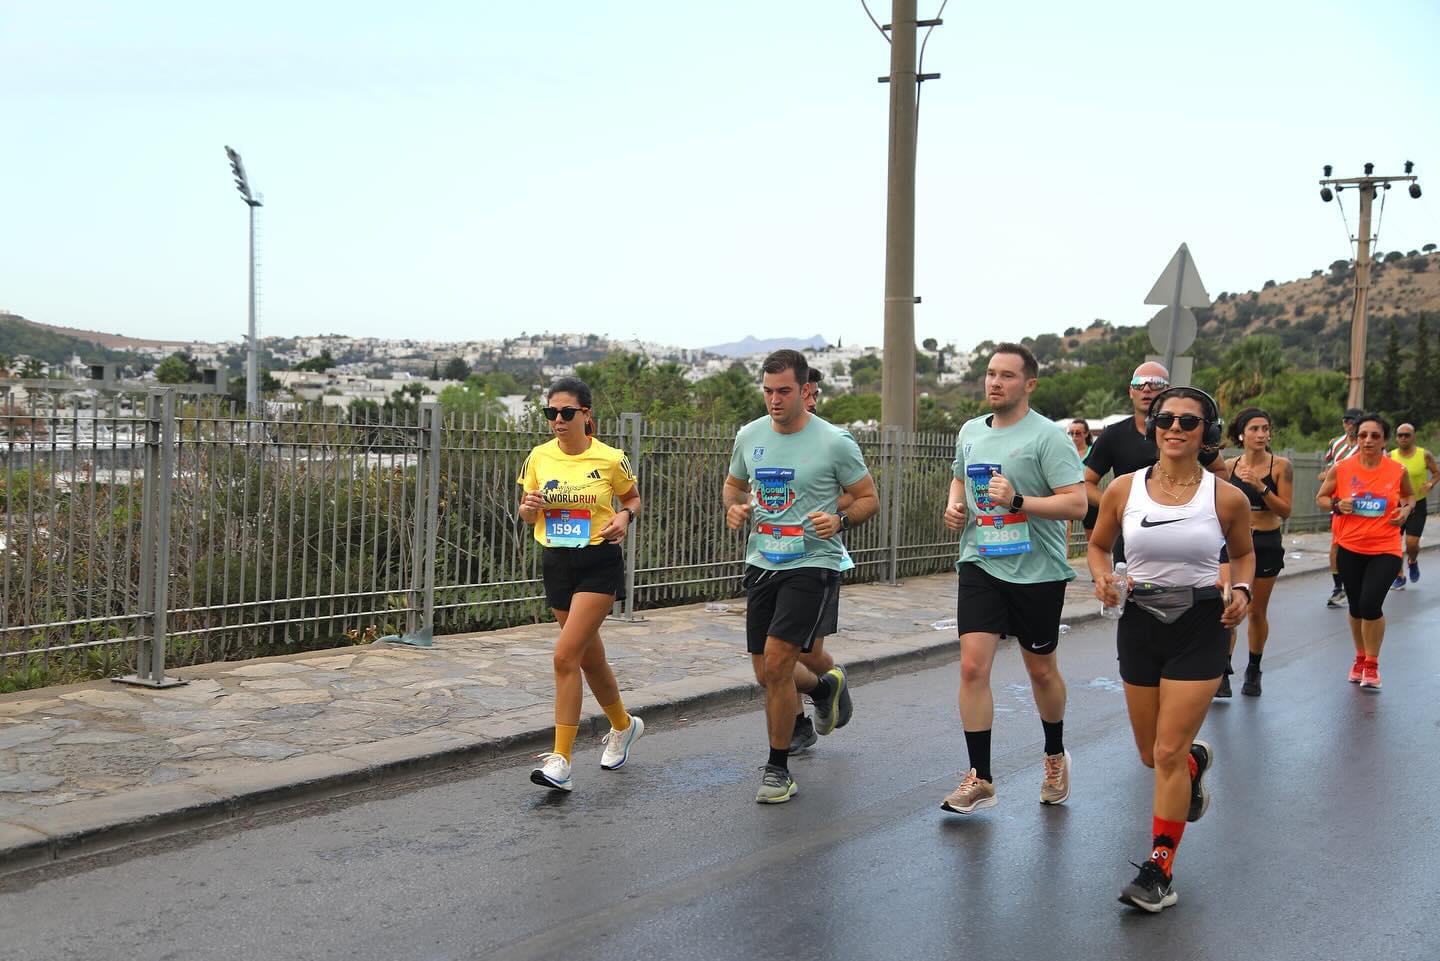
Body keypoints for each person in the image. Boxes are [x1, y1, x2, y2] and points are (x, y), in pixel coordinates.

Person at [1089, 386, 1255, 913]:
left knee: (1165, 751)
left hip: (1201, 624)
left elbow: (1245, 556)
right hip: (1139, 622)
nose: (1176, 428)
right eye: (1166, 419)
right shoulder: (1123, 489)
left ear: (1206, 430)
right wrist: (1101, 578)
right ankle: (1193, 765)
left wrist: (1244, 592)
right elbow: (1097, 545)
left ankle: (1160, 867)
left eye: (1189, 420)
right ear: (1152, 426)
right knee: (1150, 754)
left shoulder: (1226, 497)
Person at [724, 350, 879, 803]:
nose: (774, 400)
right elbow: (733, 485)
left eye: (784, 391)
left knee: (776, 664)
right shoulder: (750, 435)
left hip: (813, 563)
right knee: (765, 672)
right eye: (768, 391)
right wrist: (734, 507)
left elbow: (867, 497)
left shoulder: (834, 441)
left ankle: (777, 770)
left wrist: (842, 520)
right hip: (763, 561)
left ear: (804, 390)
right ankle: (824, 684)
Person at [940, 343, 1088, 815]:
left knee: (1040, 669)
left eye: (1006, 375)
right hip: (981, 561)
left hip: (1037, 570)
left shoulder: (1048, 437)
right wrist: (955, 504)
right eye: (989, 373)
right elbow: (960, 477)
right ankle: (980, 777)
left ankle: (1054, 755)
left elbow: (1076, 504)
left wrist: (1019, 501)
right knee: (971, 667)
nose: (994, 382)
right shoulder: (969, 431)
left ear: (1030, 384)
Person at [518, 377, 644, 792]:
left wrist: (623, 519)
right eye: (551, 412)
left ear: (586, 415)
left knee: (564, 657)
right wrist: (528, 507)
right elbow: (527, 514)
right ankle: (624, 726)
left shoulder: (610, 459)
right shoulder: (538, 456)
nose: (558, 420)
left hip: (597, 562)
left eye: (566, 412)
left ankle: (561, 761)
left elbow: (632, 500)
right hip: (557, 560)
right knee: (588, 659)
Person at [1083, 362, 1223, 564]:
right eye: (1139, 384)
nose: (1146, 389)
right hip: (1133, 535)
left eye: (1155, 383)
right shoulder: (1113, 435)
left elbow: (1218, 469)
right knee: (1128, 593)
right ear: (1130, 391)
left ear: (1167, 391)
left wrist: (1201, 506)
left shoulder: (1187, 430)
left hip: (1186, 535)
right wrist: (1120, 507)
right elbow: (1087, 483)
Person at [786, 367, 856, 754]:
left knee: (804, 652)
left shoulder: (830, 440)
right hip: (775, 558)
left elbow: (857, 494)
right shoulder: (770, 437)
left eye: (813, 396)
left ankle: (831, 678)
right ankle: (797, 725)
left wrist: (826, 511)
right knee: (775, 652)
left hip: (818, 558)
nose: (809, 402)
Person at [1317, 413, 1414, 689]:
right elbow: (1322, 497)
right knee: (1357, 606)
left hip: (1385, 547)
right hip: (1350, 546)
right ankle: (1359, 658)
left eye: (1374, 435)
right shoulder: (1342, 468)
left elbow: (1409, 497)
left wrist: (1405, 511)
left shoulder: (1397, 470)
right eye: (1363, 435)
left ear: (1384, 440)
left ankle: (1372, 664)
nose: (1368, 440)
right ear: (1356, 438)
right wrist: (1338, 504)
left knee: (1371, 604)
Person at [1221, 408, 1293, 696]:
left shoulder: (1281, 466)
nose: (1262, 434)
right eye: (1255, 429)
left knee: (1255, 611)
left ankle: (1254, 667)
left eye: (1266, 429)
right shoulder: (1228, 466)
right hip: (1234, 546)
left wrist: (1261, 487)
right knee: (1228, 606)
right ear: (1242, 434)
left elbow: (1285, 511)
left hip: (1265, 543)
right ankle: (1223, 670)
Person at [1320, 408, 1363, 607]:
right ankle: (1338, 588)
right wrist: (1328, 477)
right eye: (1346, 421)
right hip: (1339, 503)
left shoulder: (1370, 444)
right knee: (1336, 545)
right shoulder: (1335, 443)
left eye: (1352, 421)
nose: (1349, 425)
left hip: (1364, 504)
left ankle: (1359, 581)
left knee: (1360, 546)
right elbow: (1327, 470)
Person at [1389, 423, 1438, 588]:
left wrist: (1431, 483)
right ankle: (1399, 575)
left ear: (1413, 436)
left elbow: (1437, 473)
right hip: (1396, 504)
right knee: (1393, 542)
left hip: (1417, 504)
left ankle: (1412, 560)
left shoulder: (1424, 455)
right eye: (1400, 435)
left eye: (1407, 435)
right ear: (1396, 438)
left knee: (1411, 542)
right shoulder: (1390, 456)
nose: (1403, 438)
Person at [1068, 418, 1099, 540]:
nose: (1075, 436)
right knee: (1065, 529)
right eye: (1072, 433)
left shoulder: (1094, 451)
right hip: (1070, 495)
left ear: (1086, 433)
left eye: (1078, 433)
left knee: (1092, 537)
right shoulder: (1067, 451)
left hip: (1088, 497)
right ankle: (1064, 558)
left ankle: (1092, 558)